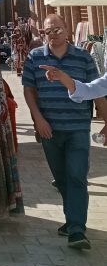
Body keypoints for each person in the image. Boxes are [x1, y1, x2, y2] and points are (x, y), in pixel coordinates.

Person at [22, 13, 101, 250]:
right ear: (43, 34)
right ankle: (72, 219)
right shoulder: (35, 57)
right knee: (63, 179)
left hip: (78, 128)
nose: (53, 34)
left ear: (66, 30)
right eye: (48, 31)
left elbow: (96, 90)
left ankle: (77, 230)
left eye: (57, 29)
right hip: (50, 130)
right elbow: (29, 91)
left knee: (77, 175)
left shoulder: (83, 57)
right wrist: (38, 120)